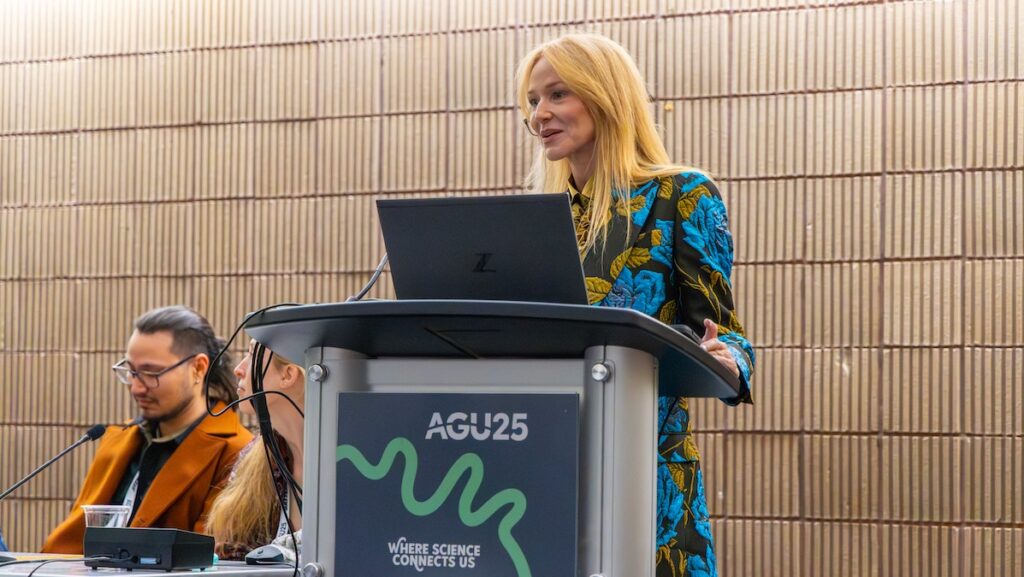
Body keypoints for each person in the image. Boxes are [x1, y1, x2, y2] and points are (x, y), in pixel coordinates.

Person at [515, 33, 755, 576]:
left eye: (557, 95)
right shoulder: (539, 219)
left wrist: (728, 360)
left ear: (605, 96)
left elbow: (727, 332)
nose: (539, 115)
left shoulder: (684, 195)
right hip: (540, 475)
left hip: (647, 483)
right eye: (532, 101)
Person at [42, 306, 252, 554]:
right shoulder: (116, 440)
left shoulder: (236, 453)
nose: (136, 388)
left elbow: (207, 558)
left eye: (152, 373)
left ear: (198, 368)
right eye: (131, 371)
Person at [205, 341, 305, 560]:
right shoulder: (252, 457)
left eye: (251, 357)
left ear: (288, 375)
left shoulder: (350, 459)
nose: (238, 369)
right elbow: (230, 555)